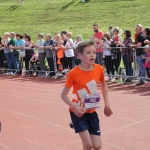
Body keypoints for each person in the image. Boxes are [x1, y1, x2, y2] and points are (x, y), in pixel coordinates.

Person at [61, 40, 113, 150]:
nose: (92, 55)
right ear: (80, 55)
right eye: (88, 52)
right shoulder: (73, 73)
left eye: (94, 52)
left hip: (91, 111)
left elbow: (104, 86)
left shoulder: (99, 69)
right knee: (88, 145)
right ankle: (76, 122)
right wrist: (75, 107)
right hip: (77, 112)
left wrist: (107, 105)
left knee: (97, 146)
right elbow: (63, 95)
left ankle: (75, 124)